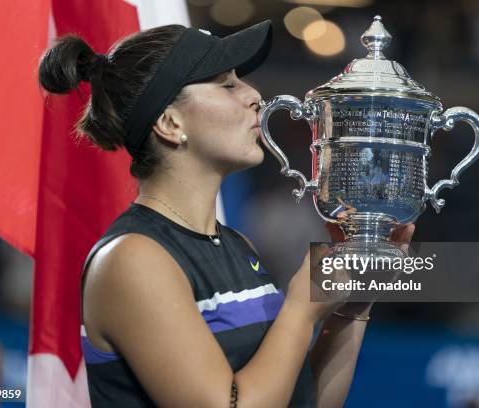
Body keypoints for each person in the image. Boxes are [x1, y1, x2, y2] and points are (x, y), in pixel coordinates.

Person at [38, 21, 414, 407]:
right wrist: (301, 310)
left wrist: (350, 310)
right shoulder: (132, 260)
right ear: (170, 123)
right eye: (226, 83)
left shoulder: (237, 245)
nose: (254, 95)